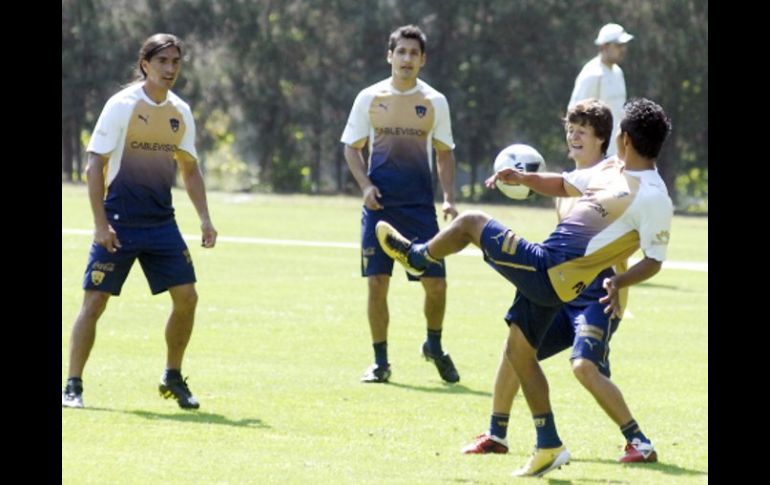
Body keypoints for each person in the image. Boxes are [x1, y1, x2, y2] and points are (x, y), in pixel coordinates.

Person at [377, 98, 672, 477]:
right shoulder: (612, 171)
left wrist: (619, 279)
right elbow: (564, 183)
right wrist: (524, 179)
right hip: (554, 277)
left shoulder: (653, 196)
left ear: (624, 138)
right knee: (519, 351)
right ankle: (547, 443)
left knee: (471, 222)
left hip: (550, 270)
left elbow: (654, 259)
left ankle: (418, 257)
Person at [460, 99, 657, 464]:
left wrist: (617, 302)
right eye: (571, 129)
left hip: (597, 297)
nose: (574, 136)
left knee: (584, 367)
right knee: (516, 348)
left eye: (583, 131)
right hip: (563, 292)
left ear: (604, 139)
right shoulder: (569, 184)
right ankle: (496, 434)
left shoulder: (615, 179)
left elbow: (623, 252)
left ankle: (639, 440)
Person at [61, 33, 217, 410]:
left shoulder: (180, 111)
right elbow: (94, 165)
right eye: (162, 61)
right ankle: (72, 385)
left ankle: (172, 377)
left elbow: (190, 169)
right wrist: (100, 225)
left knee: (188, 298)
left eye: (175, 62)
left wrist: (205, 219)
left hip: (162, 222)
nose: (170, 69)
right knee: (95, 302)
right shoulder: (122, 106)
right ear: (145, 64)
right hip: (118, 220)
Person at [340, 25, 460, 384]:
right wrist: (364, 186)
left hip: (419, 209)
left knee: (436, 285)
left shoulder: (435, 101)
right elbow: (352, 147)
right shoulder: (370, 98)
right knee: (377, 282)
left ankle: (434, 346)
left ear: (422, 60)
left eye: (414, 53)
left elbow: (444, 153)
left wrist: (449, 198)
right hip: (380, 208)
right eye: (401, 52)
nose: (407, 59)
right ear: (389, 55)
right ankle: (380, 361)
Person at [568, 23, 634, 157]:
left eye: (623, 46)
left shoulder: (617, 72)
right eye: (618, 46)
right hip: (596, 155)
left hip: (616, 153)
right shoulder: (592, 74)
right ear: (604, 46)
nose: (623, 49)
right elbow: (575, 115)